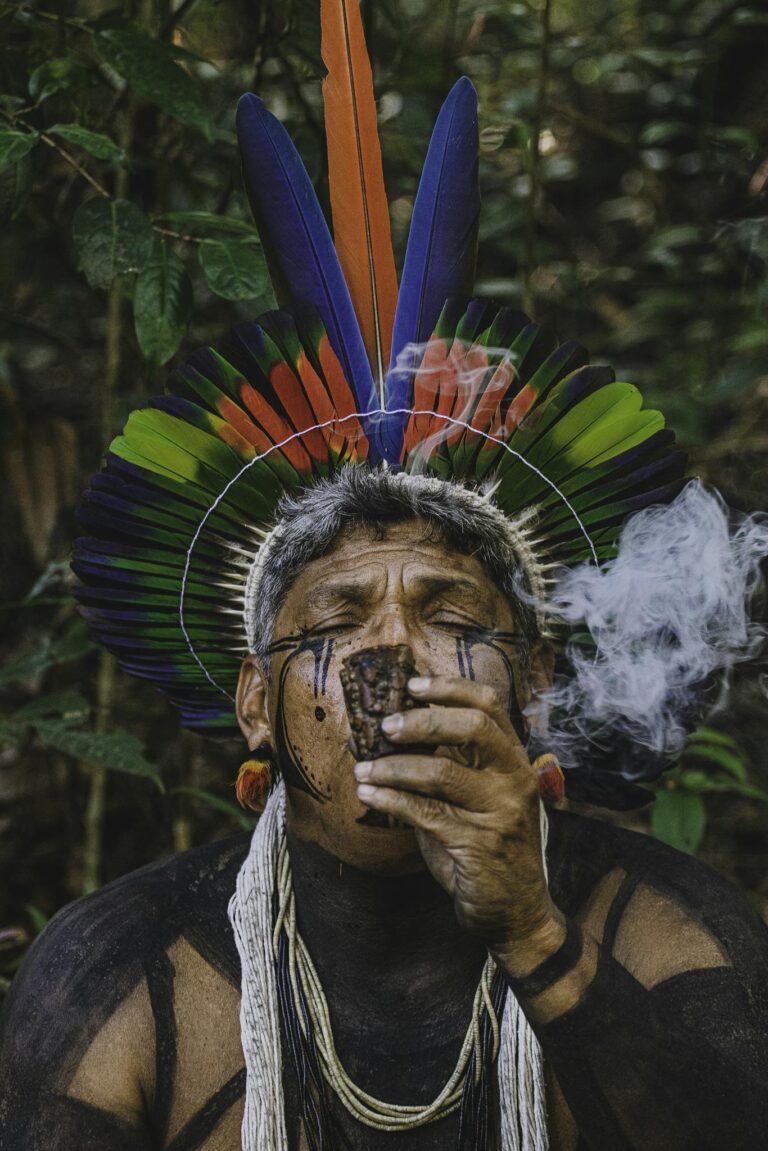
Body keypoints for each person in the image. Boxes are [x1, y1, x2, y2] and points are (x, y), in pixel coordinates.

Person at [2, 5, 767, 1149]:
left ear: (536, 681)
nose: (391, 645)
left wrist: (533, 931)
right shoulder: (125, 971)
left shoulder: (665, 931)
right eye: (339, 614)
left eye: (450, 609)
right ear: (258, 700)